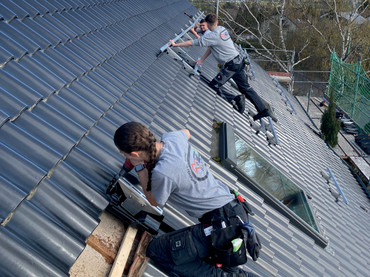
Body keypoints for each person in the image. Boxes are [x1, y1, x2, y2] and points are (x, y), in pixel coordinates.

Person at [113, 122, 261, 277]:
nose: (126, 157)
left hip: (222, 226)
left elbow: (153, 200)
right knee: (197, 253)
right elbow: (187, 132)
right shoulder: (171, 138)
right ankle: (224, 265)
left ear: (135, 154)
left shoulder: (164, 172)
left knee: (157, 251)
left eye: (126, 154)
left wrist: (140, 168)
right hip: (235, 210)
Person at [170, 14, 271, 121]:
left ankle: (236, 98)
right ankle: (263, 110)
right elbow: (212, 46)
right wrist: (201, 58)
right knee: (246, 88)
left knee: (214, 85)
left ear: (208, 24)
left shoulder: (212, 36)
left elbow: (192, 43)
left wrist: (175, 44)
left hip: (231, 66)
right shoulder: (222, 29)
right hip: (238, 61)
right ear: (217, 22)